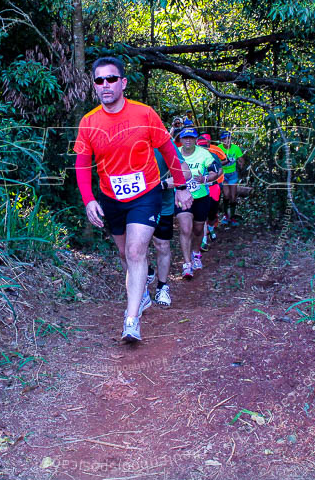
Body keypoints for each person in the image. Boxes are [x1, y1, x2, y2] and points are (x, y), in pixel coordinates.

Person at [74, 57, 192, 342]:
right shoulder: (89, 122)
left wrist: (181, 186)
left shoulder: (144, 114)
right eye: (99, 80)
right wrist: (89, 200)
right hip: (111, 197)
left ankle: (131, 321)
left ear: (123, 83)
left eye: (112, 79)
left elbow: (168, 150)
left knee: (137, 251)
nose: (106, 85)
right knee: (125, 254)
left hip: (147, 193)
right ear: (94, 86)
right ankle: (143, 294)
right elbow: (81, 163)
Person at [145, 143, 188, 308]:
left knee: (162, 244)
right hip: (136, 203)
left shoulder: (164, 142)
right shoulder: (128, 137)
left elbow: (185, 172)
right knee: (137, 244)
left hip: (163, 203)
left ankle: (162, 286)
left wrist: (161, 185)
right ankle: (145, 275)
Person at [175, 127, 221, 279]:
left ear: (195, 139)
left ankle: (196, 253)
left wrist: (205, 179)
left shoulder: (204, 154)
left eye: (191, 138)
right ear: (180, 139)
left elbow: (217, 171)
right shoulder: (174, 152)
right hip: (182, 197)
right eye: (185, 138)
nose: (188, 140)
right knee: (185, 228)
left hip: (201, 196)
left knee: (198, 229)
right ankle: (187, 264)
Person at [198, 133, 226, 250]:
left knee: (212, 213)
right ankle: (204, 240)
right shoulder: (196, 156)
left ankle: (210, 227)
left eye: (205, 146)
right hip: (202, 188)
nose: (204, 148)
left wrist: (212, 178)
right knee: (202, 213)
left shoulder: (213, 155)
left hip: (214, 187)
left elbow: (220, 170)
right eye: (201, 146)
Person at [218, 130, 245, 227]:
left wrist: (241, 163)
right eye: (224, 139)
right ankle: (225, 215)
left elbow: (241, 159)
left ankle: (232, 217)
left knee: (233, 197)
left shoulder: (235, 148)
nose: (227, 141)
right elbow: (215, 162)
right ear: (221, 140)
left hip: (233, 174)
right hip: (223, 175)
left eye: (228, 139)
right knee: (226, 195)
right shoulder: (219, 149)